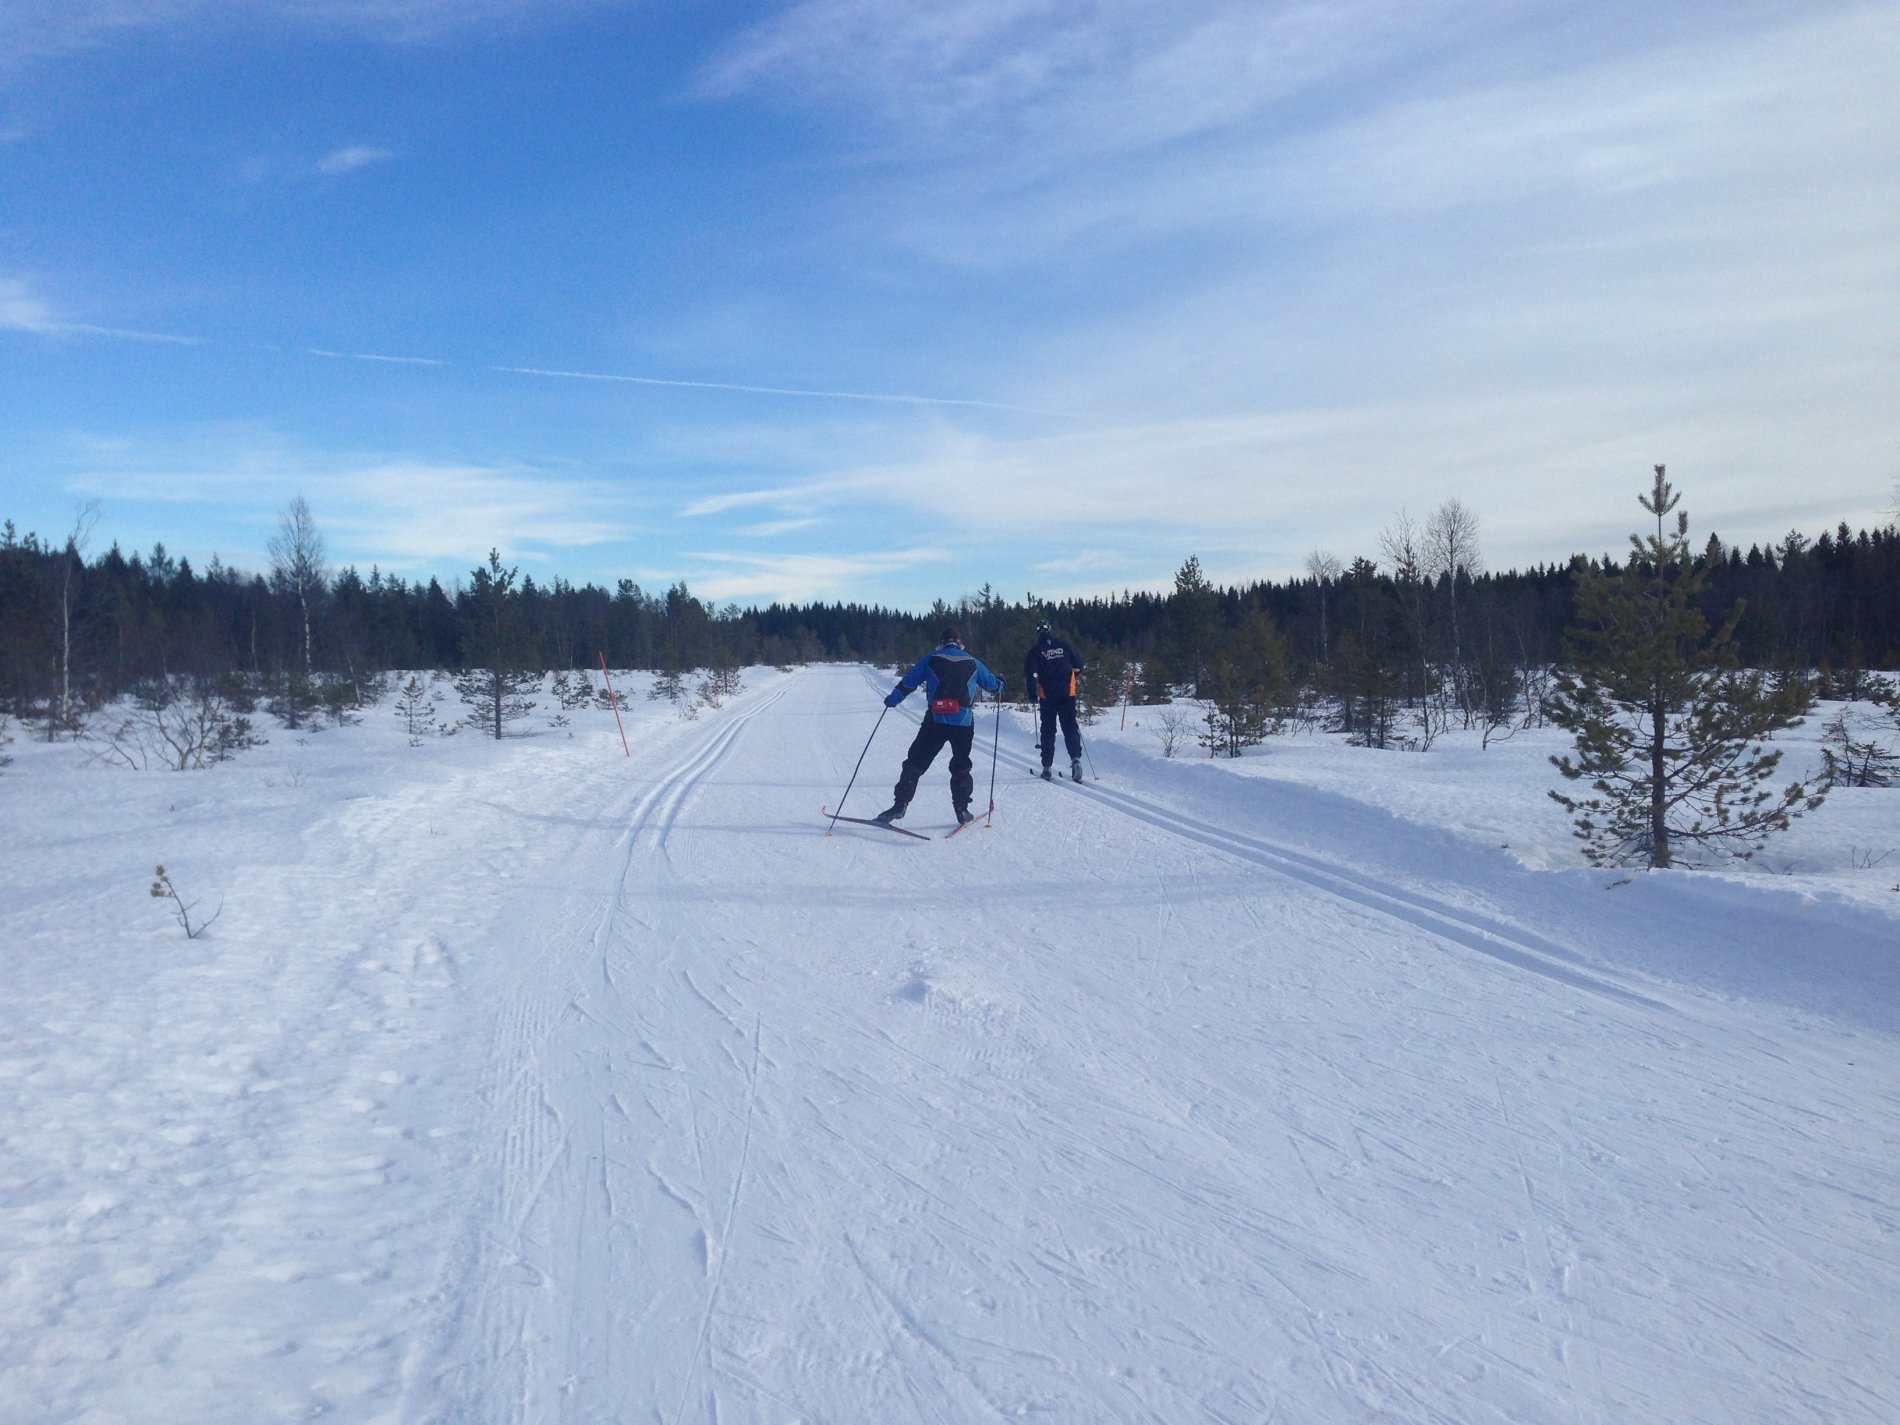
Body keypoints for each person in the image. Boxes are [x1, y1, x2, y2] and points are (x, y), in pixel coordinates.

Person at [876, 625, 1003, 826]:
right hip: (963, 722)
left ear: (941, 643)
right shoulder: (973, 661)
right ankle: (962, 809)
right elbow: (993, 686)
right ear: (960, 643)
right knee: (961, 766)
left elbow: (909, 682)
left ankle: (900, 804)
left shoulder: (931, 658)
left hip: (935, 720)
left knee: (915, 762)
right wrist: (1001, 682)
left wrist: (893, 699)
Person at [1023, 619, 1086, 781]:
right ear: (1050, 630)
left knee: (1048, 730)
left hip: (1048, 696)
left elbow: (1031, 674)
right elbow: (1079, 665)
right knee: (1070, 726)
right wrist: (1072, 678)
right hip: (1067, 693)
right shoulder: (1064, 645)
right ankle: (1076, 760)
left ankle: (1047, 767)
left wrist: (1032, 694)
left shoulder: (1036, 651)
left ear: (1038, 633)